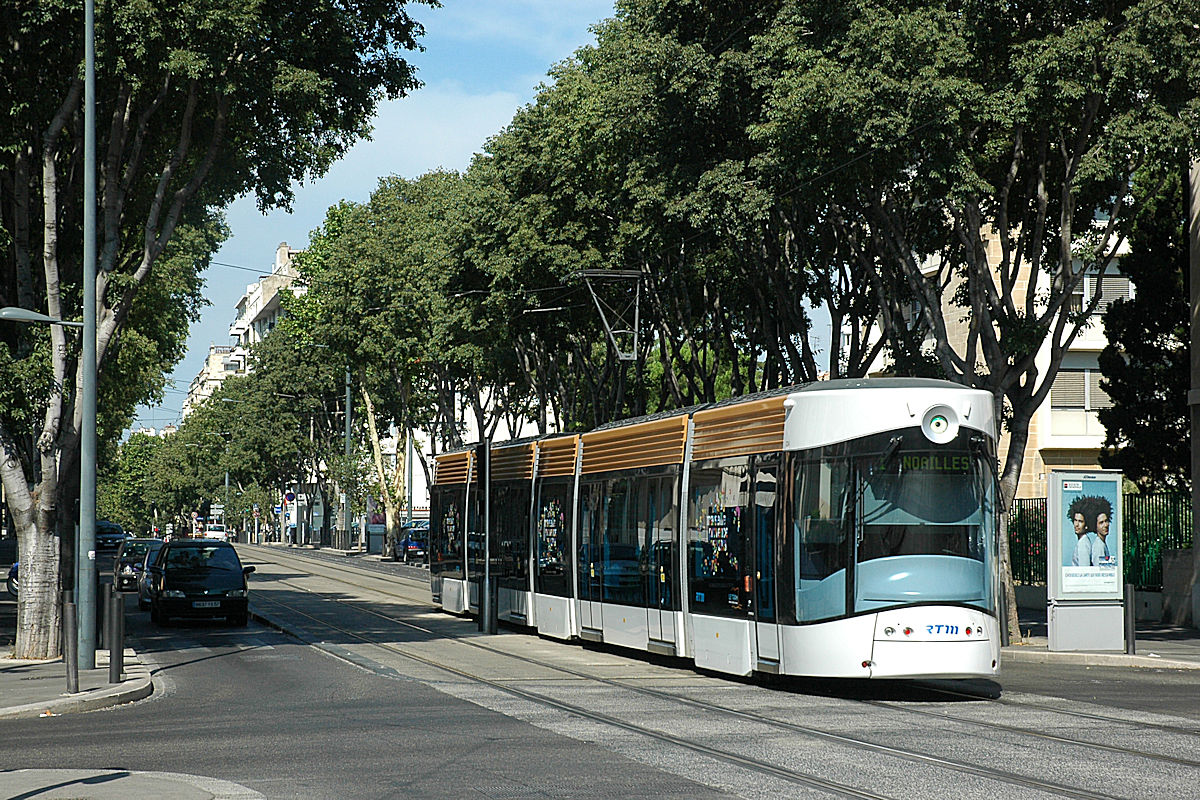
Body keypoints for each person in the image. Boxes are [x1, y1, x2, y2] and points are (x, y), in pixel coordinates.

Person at [1067, 496, 1093, 567]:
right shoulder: (1082, 541)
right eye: (1075, 520)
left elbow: (1084, 570)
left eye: (1080, 521)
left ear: (1086, 525)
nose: (1077, 525)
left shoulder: (1083, 544)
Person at [1091, 499, 1116, 567]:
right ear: (1095, 526)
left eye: (1106, 521)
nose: (1105, 525)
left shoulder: (1102, 543)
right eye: (1101, 522)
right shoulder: (1099, 546)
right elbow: (1102, 572)